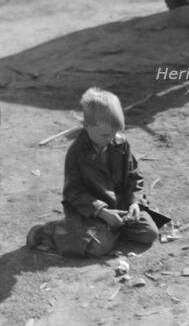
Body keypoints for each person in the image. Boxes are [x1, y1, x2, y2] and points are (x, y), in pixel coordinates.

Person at [26, 87, 161, 258]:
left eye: (114, 133)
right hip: (90, 212)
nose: (110, 139)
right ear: (86, 126)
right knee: (96, 249)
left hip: (120, 206)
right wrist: (101, 211)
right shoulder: (76, 153)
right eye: (105, 134)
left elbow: (133, 176)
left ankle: (111, 230)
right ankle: (49, 231)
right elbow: (73, 193)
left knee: (150, 233)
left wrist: (134, 203)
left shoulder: (120, 143)